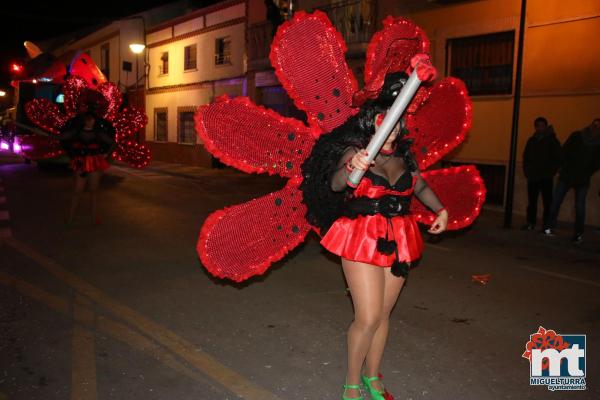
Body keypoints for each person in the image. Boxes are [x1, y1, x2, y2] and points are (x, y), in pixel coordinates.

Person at [300, 70, 447, 400]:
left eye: (396, 121)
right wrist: (354, 167)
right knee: (366, 317)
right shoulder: (356, 152)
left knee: (382, 316)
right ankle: (352, 383)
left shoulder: (404, 158)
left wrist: (441, 209)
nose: (391, 127)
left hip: (399, 239)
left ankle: (372, 376)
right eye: (385, 120)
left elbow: (419, 185)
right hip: (361, 236)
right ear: (373, 121)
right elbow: (338, 184)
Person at [543, 118, 600, 243]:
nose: (596, 128)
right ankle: (549, 227)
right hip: (567, 175)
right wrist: (565, 166)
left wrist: (588, 171)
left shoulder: (598, 144)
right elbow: (565, 151)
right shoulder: (577, 136)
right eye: (594, 125)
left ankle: (578, 233)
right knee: (555, 202)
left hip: (583, 178)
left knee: (580, 206)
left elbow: (597, 162)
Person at [57, 111, 115, 226]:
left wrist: (106, 154)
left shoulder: (99, 133)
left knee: (93, 192)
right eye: (88, 119)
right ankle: (70, 219)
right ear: (84, 120)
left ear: (95, 120)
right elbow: (62, 137)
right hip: (80, 163)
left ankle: (94, 219)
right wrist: (45, 134)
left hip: (94, 162)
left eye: (92, 119)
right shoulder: (77, 131)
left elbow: (113, 143)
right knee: (77, 191)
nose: (90, 121)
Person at [521, 117, 561, 230]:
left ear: (546, 126)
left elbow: (558, 157)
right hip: (533, 176)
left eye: (542, 125)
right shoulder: (532, 140)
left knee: (547, 202)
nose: (540, 128)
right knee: (532, 202)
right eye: (537, 125)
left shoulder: (552, 141)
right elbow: (526, 156)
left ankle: (547, 225)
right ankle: (531, 222)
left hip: (545, 177)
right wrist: (527, 170)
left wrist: (551, 171)